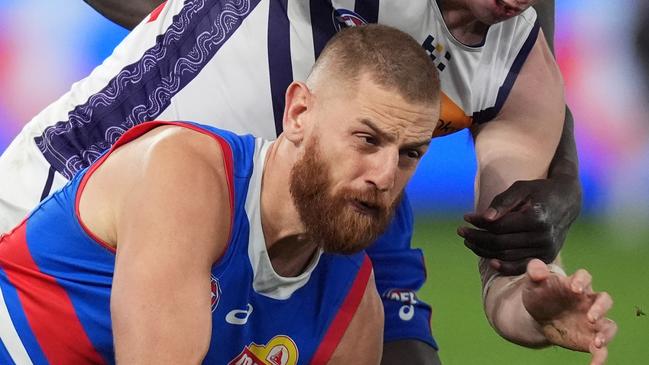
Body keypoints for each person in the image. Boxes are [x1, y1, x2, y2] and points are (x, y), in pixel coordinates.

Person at [0, 0, 584, 363]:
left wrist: (535, 285)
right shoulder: (177, 168)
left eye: (414, 150)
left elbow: (508, 272)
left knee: (398, 345)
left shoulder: (521, 74)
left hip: (282, 229)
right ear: (298, 110)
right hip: (70, 208)